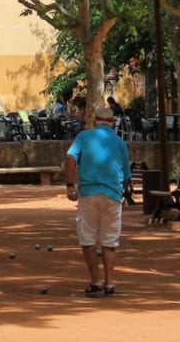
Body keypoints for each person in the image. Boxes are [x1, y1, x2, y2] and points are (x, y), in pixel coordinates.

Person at [64, 106, 132, 296]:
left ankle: (96, 281)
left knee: (88, 239)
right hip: (113, 194)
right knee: (109, 240)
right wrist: (121, 192)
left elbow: (70, 157)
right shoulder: (120, 142)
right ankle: (110, 283)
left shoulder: (84, 137)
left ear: (94, 120)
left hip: (89, 193)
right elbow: (126, 176)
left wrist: (70, 185)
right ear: (112, 123)